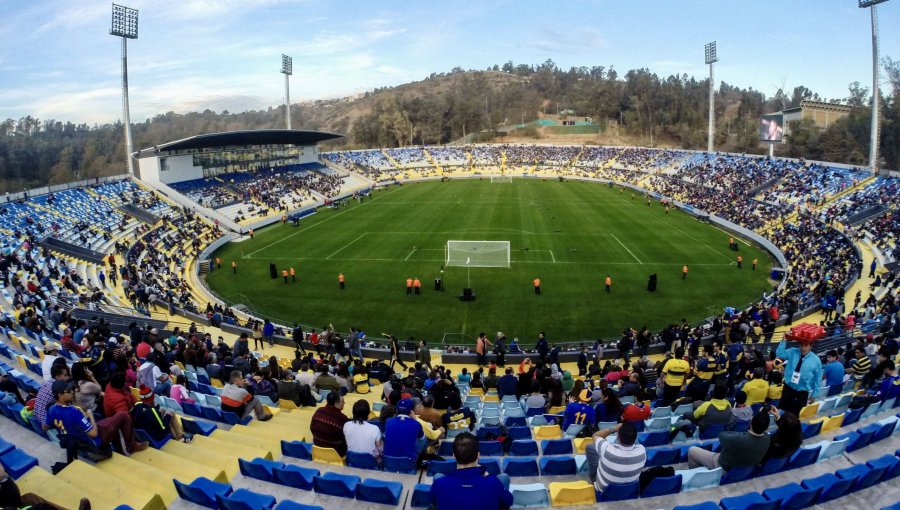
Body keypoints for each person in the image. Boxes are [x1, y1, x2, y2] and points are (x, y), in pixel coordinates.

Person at [45, 379, 148, 455]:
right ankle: (131, 447)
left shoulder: (51, 410)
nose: (72, 392)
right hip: (94, 440)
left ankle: (120, 451)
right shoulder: (72, 412)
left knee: (113, 421)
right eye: (68, 391)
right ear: (60, 395)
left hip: (81, 438)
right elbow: (94, 433)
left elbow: (45, 427)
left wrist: (66, 425)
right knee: (123, 415)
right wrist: (91, 416)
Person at [430, 432, 512, 510]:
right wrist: (488, 476)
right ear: (478, 455)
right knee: (503, 477)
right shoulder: (494, 482)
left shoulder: (439, 483)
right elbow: (508, 502)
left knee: (438, 476)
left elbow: (434, 501)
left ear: (454, 456)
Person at [687, 410, 770, 470]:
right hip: (744, 468)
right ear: (766, 427)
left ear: (751, 423)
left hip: (724, 466)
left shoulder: (738, 439)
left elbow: (722, 435)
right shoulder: (767, 438)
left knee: (692, 450)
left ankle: (698, 472)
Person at [585, 422, 645, 491]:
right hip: (628, 490)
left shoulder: (606, 449)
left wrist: (613, 429)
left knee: (590, 447)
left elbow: (595, 435)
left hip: (604, 490)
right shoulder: (642, 450)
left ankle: (593, 478)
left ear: (618, 436)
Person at [776, 338, 822, 416]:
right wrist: (784, 340)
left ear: (811, 346)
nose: (803, 348)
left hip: (801, 394)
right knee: (781, 413)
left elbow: (817, 380)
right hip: (788, 389)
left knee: (793, 417)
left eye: (806, 345)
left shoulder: (816, 361)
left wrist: (814, 395)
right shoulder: (792, 352)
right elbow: (779, 354)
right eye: (801, 345)